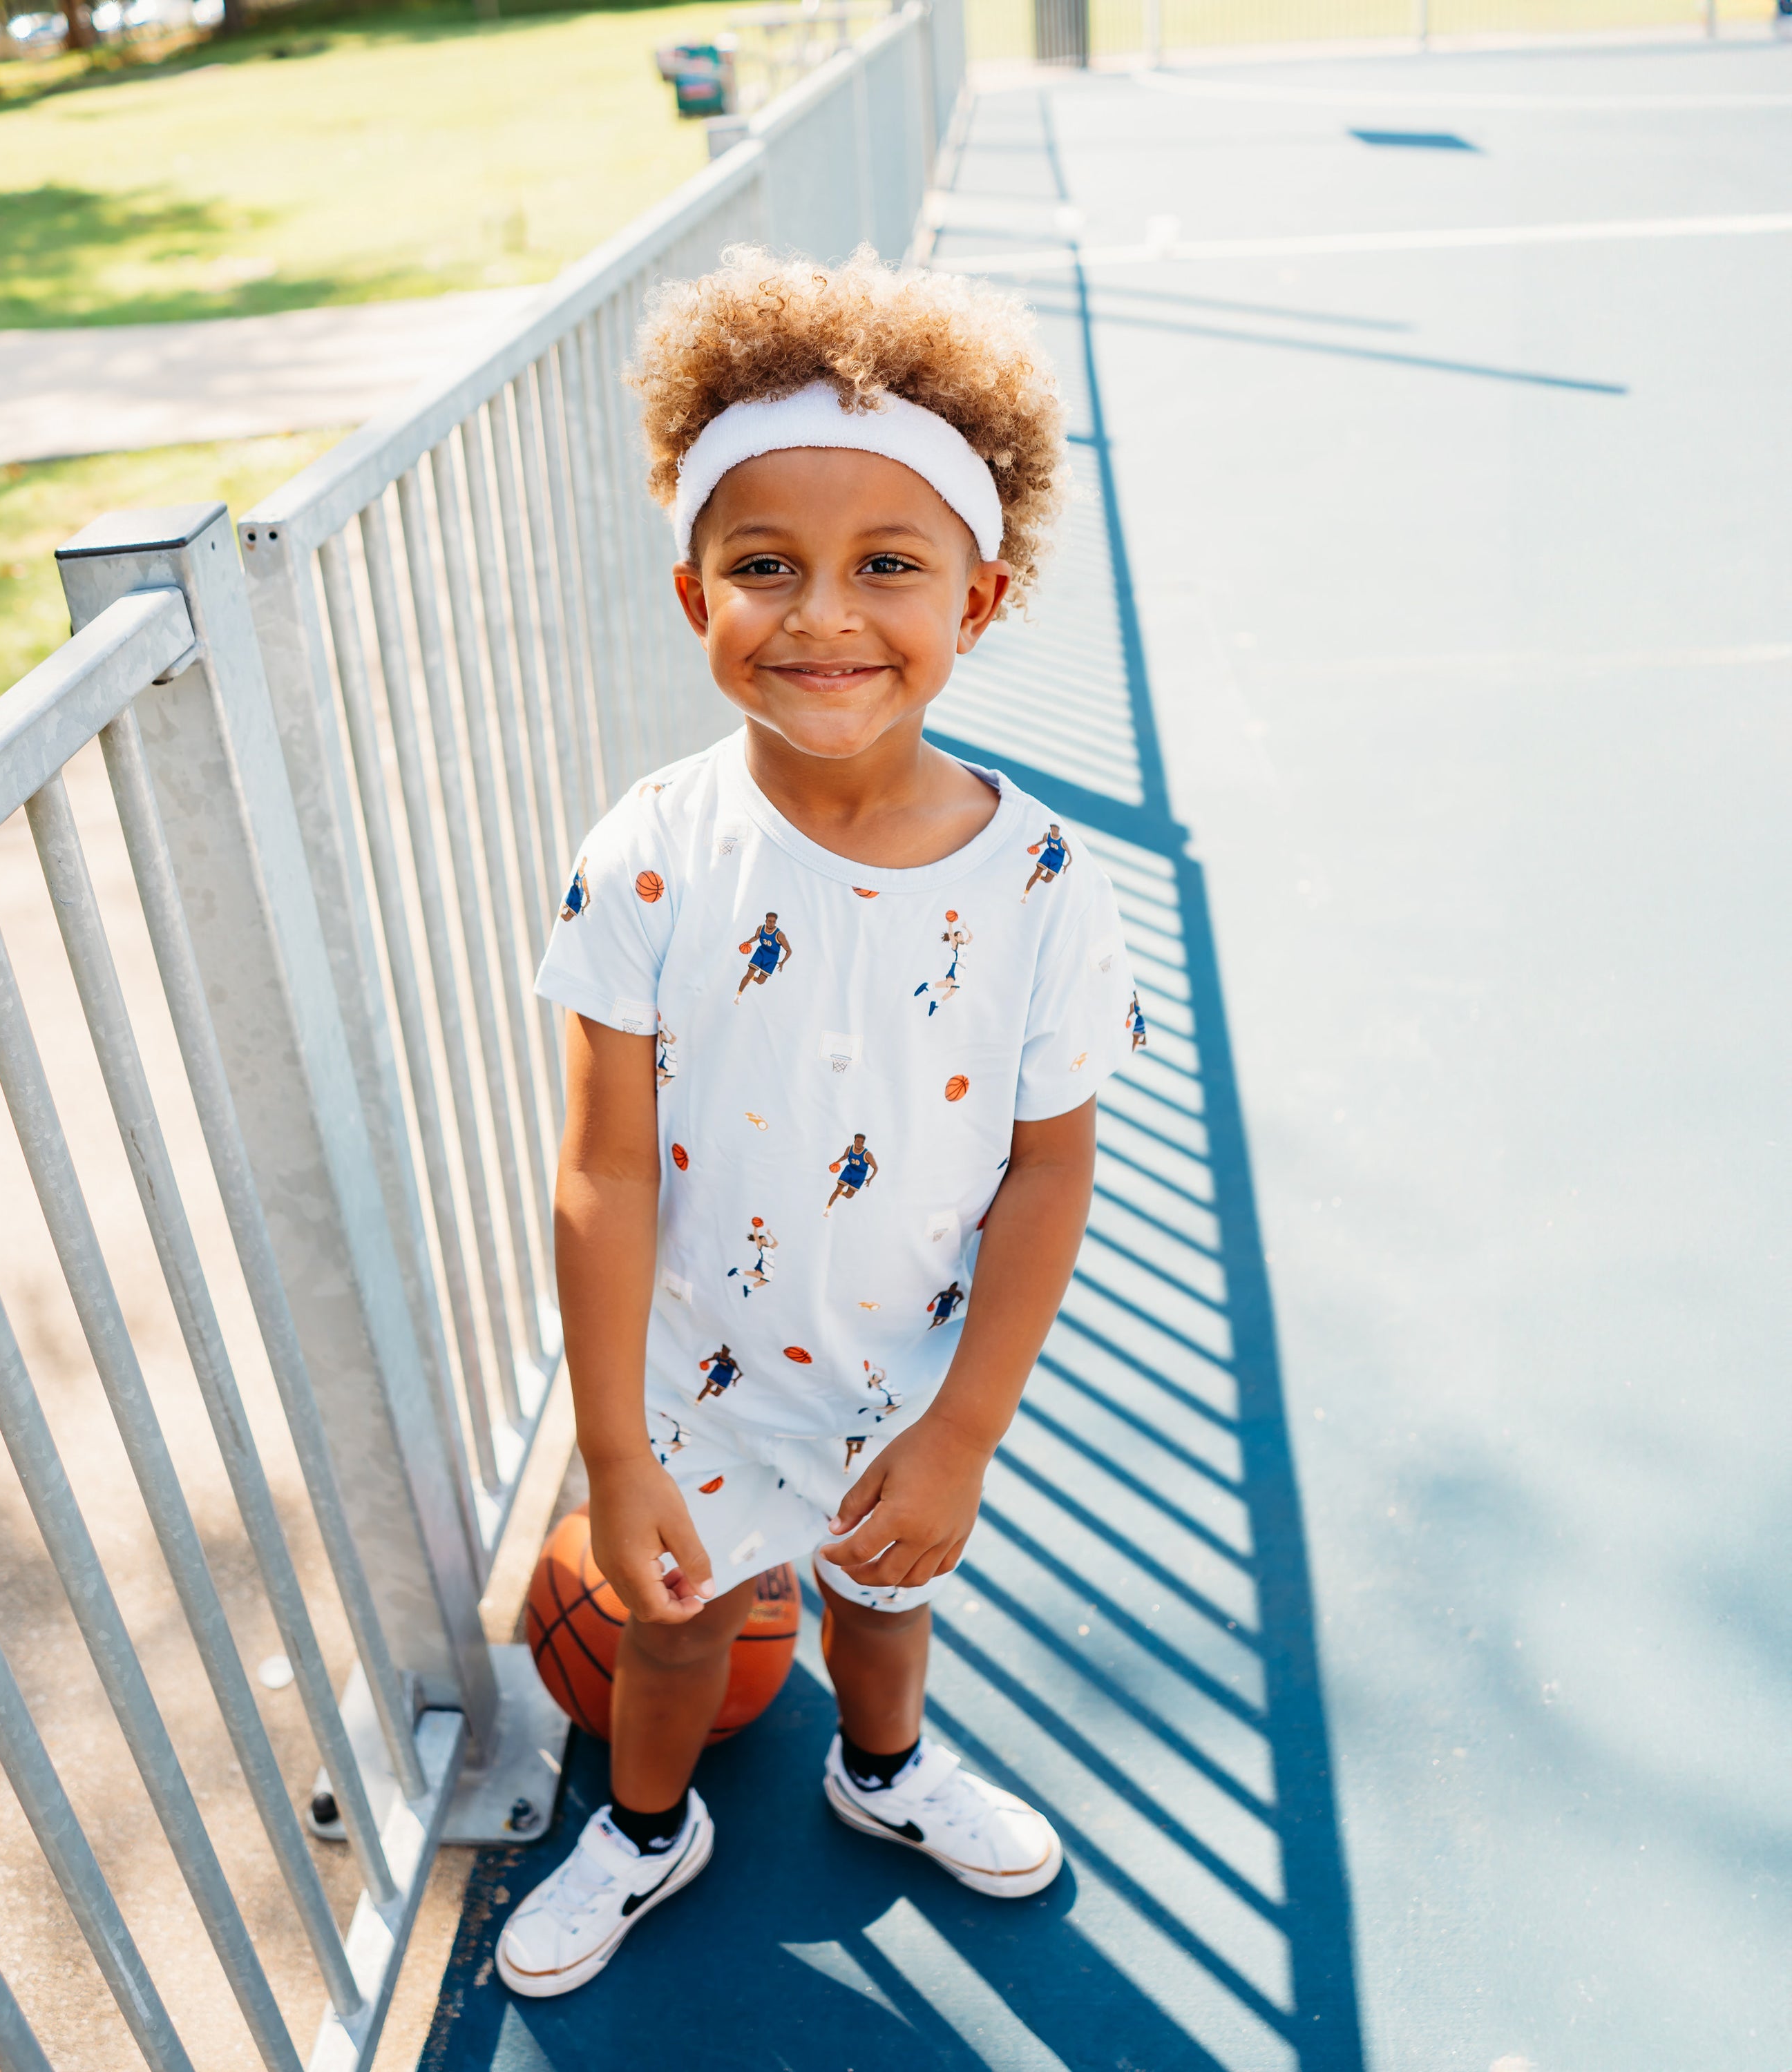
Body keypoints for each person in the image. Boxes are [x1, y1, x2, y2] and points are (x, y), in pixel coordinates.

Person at [499, 247, 1140, 1999]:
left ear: (981, 598)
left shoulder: (1047, 882)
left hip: (911, 1363)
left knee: (881, 1590)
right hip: (699, 1366)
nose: (825, 617)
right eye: (765, 567)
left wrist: (966, 1431)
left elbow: (1051, 1169)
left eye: (889, 568)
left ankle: (883, 1771)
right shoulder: (644, 850)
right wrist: (617, 1451)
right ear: (693, 585)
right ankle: (643, 1831)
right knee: (676, 1622)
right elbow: (606, 1162)